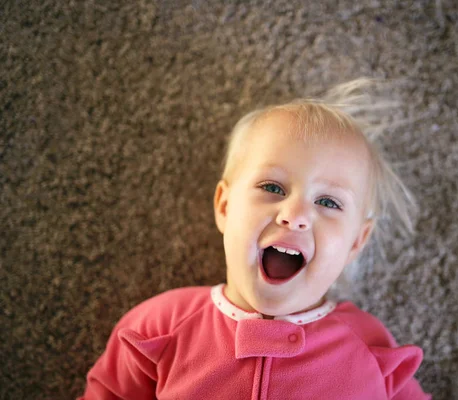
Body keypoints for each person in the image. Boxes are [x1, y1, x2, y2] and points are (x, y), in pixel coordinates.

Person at [78, 79, 432, 399]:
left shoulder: (370, 348)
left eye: (328, 202)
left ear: (357, 241)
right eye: (272, 187)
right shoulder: (159, 326)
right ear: (225, 206)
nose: (294, 215)